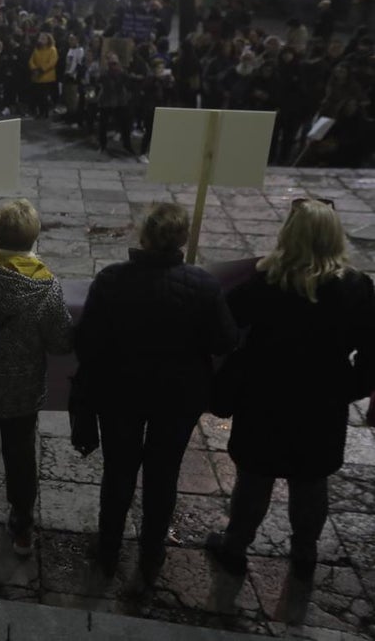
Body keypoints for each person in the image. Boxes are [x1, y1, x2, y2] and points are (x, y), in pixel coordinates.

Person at [206, 200, 375, 581]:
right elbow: (371, 350)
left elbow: (225, 322)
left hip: (264, 397)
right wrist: (351, 386)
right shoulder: (356, 287)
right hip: (322, 402)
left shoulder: (268, 281)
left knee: (254, 477)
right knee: (310, 481)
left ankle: (235, 546)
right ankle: (304, 554)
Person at [73, 202, 237, 581]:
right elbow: (224, 340)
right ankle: (151, 553)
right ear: (182, 238)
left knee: (118, 471)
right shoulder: (203, 286)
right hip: (178, 397)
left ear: (143, 236)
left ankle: (109, 547)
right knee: (164, 474)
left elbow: (87, 342)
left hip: (120, 392)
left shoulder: (112, 280)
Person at [0, 199, 72, 560]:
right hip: (23, 392)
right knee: (22, 458)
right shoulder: (47, 287)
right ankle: (22, 530)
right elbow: (61, 343)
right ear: (33, 239)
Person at [28, 32, 58, 118]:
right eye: (40, 38)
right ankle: (40, 112)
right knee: (38, 95)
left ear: (48, 40)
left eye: (43, 38)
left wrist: (42, 69)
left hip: (47, 77)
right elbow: (31, 60)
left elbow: (52, 62)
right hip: (36, 76)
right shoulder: (37, 49)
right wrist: (34, 68)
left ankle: (45, 112)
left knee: (44, 96)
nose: (41, 40)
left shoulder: (52, 49)